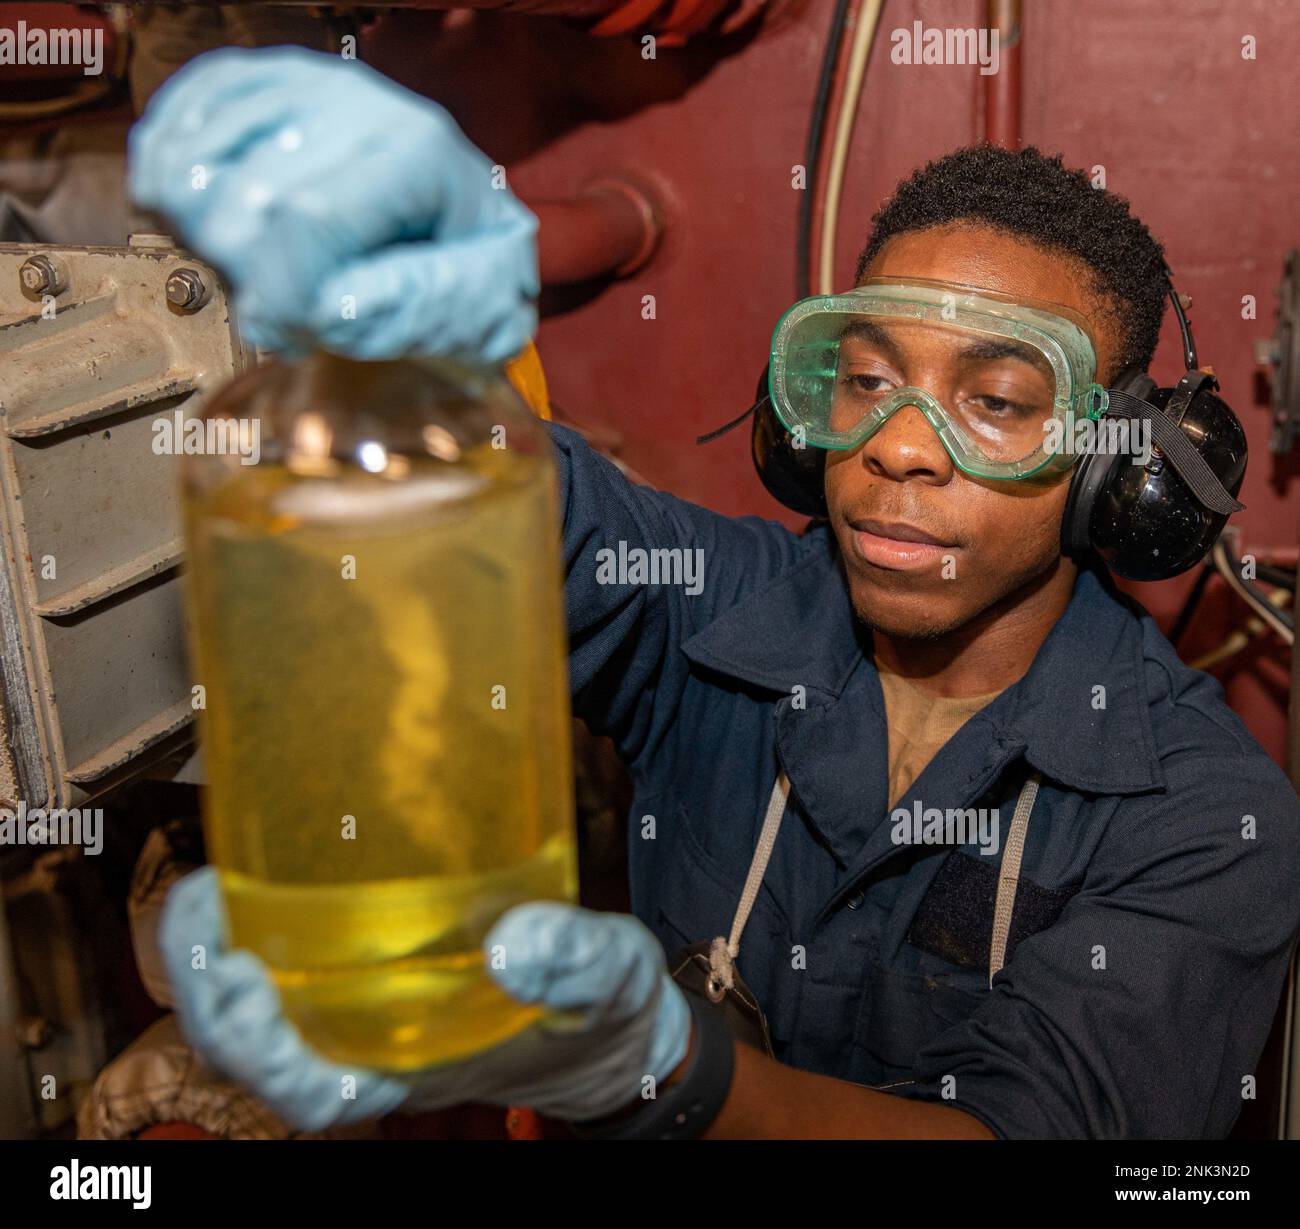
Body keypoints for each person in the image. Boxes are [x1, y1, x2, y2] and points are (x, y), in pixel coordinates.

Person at [132, 46, 1300, 1140]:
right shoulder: (720, 610)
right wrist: (405, 352)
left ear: (1112, 469)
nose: (897, 448)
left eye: (993, 401)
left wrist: (671, 1071)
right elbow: (539, 502)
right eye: (864, 380)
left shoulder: (1206, 819)